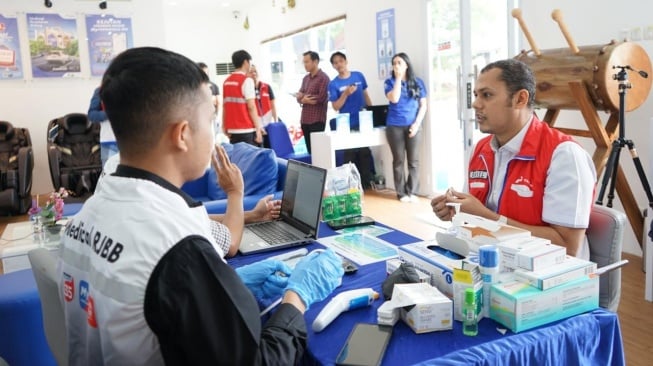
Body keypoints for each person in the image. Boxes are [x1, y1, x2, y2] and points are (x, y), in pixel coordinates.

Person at [58, 46, 344, 365]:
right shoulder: (177, 249)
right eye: (211, 120)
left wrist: (225, 284)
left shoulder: (86, 216)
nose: (215, 134)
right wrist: (297, 297)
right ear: (182, 134)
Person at [430, 59, 596, 258]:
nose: (475, 104)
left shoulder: (564, 155)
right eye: (475, 95)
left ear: (520, 99)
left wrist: (485, 216)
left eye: (487, 95)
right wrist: (457, 213)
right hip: (491, 262)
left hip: (548, 276)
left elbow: (567, 247)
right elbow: (474, 219)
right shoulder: (480, 150)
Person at [99, 153, 281, 258]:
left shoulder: (115, 166)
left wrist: (252, 215)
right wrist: (235, 192)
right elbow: (230, 244)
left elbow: (191, 218)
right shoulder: (156, 187)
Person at [384, 52, 428, 202]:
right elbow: (394, 98)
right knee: (398, 160)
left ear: (406, 65)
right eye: (394, 63)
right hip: (394, 126)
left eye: (399, 63)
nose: (396, 65)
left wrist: (416, 124)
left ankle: (413, 191)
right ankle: (401, 193)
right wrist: (397, 78)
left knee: (414, 161)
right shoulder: (389, 82)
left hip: (413, 125)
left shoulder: (418, 82)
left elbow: (423, 105)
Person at [328, 51, 374, 188]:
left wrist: (372, 112)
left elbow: (366, 95)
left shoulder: (358, 76)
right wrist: (345, 94)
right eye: (335, 62)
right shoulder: (333, 84)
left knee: (365, 152)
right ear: (333, 66)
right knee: (350, 155)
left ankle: (366, 183)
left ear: (346, 61)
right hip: (346, 124)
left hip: (364, 121)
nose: (339, 64)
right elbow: (336, 106)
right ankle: (351, 185)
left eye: (341, 61)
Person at [222, 49, 264, 146]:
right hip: (247, 130)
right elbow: (251, 107)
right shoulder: (246, 81)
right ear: (245, 62)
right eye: (249, 62)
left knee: (238, 159)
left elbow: (225, 106)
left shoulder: (226, 82)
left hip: (232, 130)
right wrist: (258, 128)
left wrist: (224, 125)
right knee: (251, 160)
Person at [296, 50, 329, 153]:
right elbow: (299, 96)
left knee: (318, 152)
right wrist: (302, 99)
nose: (305, 65)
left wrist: (303, 98)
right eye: (304, 62)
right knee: (311, 152)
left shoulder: (324, 78)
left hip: (317, 121)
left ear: (315, 62)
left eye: (307, 62)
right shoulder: (305, 78)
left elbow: (321, 98)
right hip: (305, 120)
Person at [248, 64, 278, 147]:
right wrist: (258, 127)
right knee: (261, 150)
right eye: (251, 72)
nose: (254, 73)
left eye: (255, 71)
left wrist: (275, 121)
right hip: (256, 127)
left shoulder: (267, 87)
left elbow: (273, 106)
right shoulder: (247, 89)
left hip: (269, 124)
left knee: (271, 148)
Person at [87, 86, 118, 165]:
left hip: (131, 143)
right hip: (109, 142)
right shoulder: (100, 90)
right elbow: (91, 115)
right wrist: (110, 113)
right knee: (109, 175)